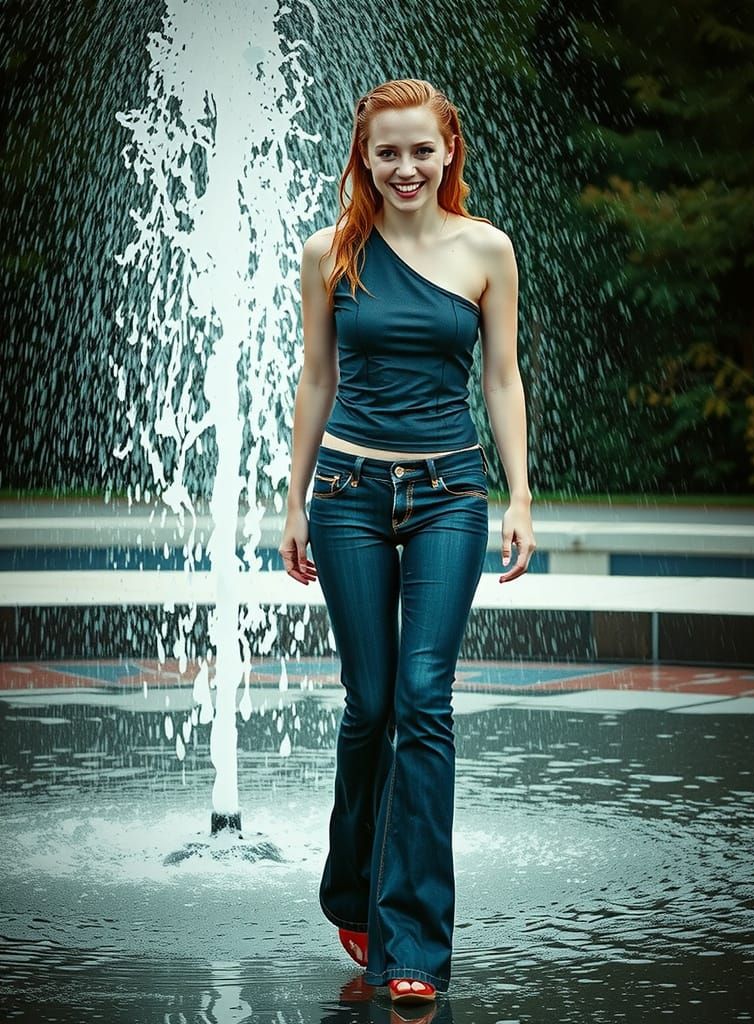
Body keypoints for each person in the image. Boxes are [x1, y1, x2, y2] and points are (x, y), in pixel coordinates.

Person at [279, 78, 536, 1004]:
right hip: (346, 492)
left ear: (448, 151)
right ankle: (351, 885)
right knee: (371, 703)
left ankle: (414, 945)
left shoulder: (487, 251)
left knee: (424, 700)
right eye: (387, 151)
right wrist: (295, 497)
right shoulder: (330, 252)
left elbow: (500, 379)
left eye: (420, 149)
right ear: (365, 156)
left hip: (450, 495)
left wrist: (520, 490)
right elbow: (317, 377)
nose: (405, 168)